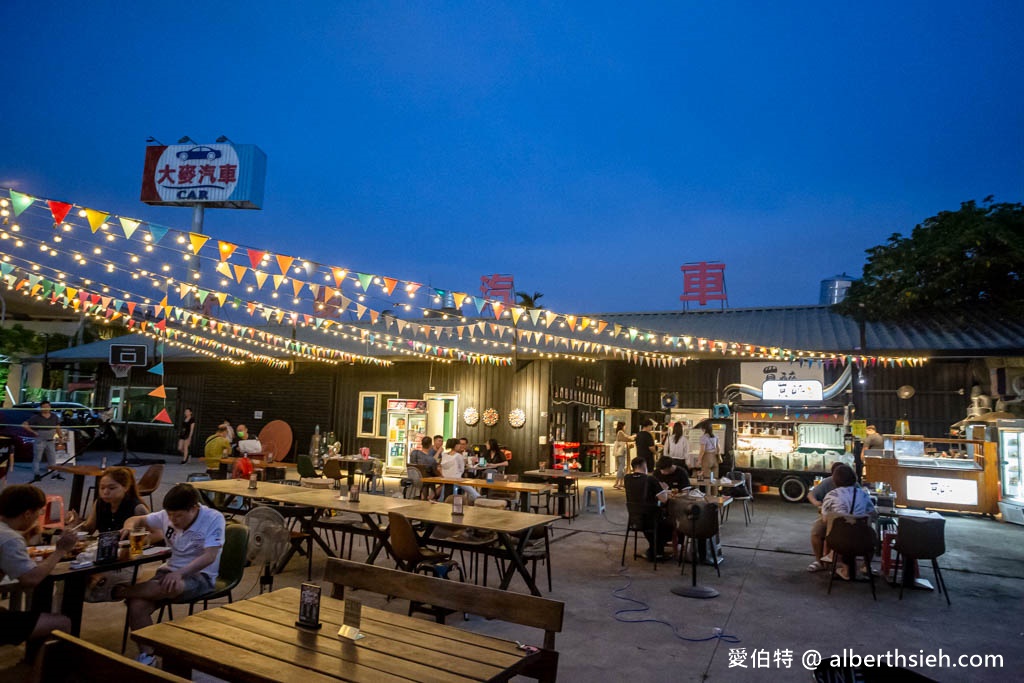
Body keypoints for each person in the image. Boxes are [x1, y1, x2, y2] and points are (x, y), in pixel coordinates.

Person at [119, 484, 225, 666]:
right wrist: (129, 527)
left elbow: (210, 556)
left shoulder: (214, 518)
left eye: (178, 516)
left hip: (200, 575)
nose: (173, 520)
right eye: (170, 515)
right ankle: (148, 655)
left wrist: (180, 573)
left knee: (170, 585)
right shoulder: (166, 516)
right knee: (137, 605)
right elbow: (136, 519)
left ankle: (119, 592)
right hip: (169, 570)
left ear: (194, 508)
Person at [0, 484, 78, 652]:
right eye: (39, 512)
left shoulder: (6, 532)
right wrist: (60, 551)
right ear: (28, 513)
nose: (39, 516)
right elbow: (31, 579)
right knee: (62, 623)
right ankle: (38, 676)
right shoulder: (9, 538)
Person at [819, 464, 877, 581]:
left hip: (837, 541)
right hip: (863, 541)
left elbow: (825, 520)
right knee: (868, 534)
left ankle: (842, 569)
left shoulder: (831, 495)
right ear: (853, 478)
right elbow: (874, 515)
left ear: (834, 480)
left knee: (839, 532)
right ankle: (865, 566)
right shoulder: (863, 494)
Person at [624, 457, 671, 561]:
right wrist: (663, 489)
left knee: (650, 517)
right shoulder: (650, 479)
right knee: (671, 522)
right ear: (644, 466)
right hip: (651, 520)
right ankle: (658, 551)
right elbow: (664, 499)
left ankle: (654, 550)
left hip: (635, 519)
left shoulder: (627, 478)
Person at [806, 461, 845, 572]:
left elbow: (825, 517)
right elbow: (811, 494)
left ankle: (837, 560)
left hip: (847, 522)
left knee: (830, 531)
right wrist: (817, 503)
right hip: (832, 518)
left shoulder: (854, 488)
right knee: (816, 532)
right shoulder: (828, 484)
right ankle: (820, 561)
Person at [23, 400, 65, 481]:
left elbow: (57, 427)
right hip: (40, 440)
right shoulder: (36, 417)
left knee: (52, 458)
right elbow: (25, 424)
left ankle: (55, 474)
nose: (46, 408)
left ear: (50, 407)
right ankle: (36, 474)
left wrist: (60, 436)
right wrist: (33, 432)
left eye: (47, 406)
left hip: (50, 440)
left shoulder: (54, 416)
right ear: (41, 408)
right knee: (37, 458)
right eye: (44, 407)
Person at [612, 421, 635, 490]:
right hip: (621, 452)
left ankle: (621, 483)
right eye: (624, 426)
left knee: (621, 467)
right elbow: (627, 438)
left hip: (620, 452)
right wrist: (633, 437)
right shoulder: (620, 432)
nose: (625, 427)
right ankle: (617, 482)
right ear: (622, 426)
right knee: (621, 467)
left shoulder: (619, 432)